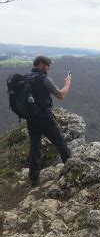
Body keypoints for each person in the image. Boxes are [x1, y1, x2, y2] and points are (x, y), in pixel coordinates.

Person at [26, 55, 72, 187]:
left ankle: (34, 179)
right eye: (48, 65)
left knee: (34, 146)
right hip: (44, 117)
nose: (49, 68)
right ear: (41, 64)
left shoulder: (26, 78)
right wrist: (67, 83)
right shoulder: (45, 79)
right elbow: (61, 95)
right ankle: (70, 170)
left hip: (31, 118)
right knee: (60, 142)